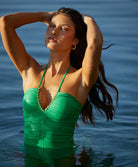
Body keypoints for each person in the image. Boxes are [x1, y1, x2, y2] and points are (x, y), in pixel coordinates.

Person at [0, 7, 118, 166]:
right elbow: (5, 22)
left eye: (64, 29)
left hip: (63, 162)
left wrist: (89, 21)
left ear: (75, 40)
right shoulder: (29, 70)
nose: (54, 32)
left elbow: (94, 44)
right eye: (52, 26)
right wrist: (44, 16)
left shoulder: (81, 79)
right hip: (26, 159)